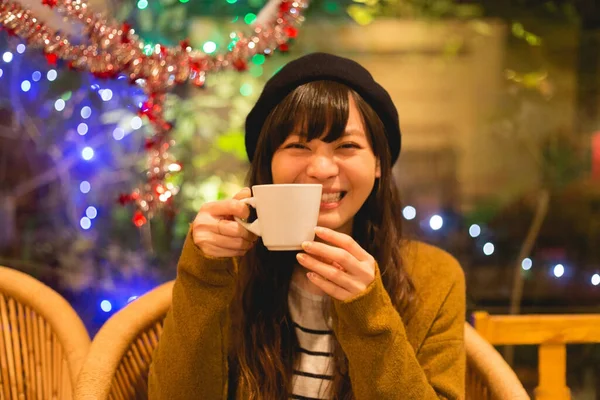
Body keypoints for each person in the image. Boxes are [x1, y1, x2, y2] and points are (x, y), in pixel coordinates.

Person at [148, 52, 466, 399]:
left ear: (378, 162)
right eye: (298, 145)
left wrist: (367, 309)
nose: (322, 169)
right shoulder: (230, 268)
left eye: (347, 146)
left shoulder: (434, 277)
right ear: (268, 165)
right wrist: (203, 276)